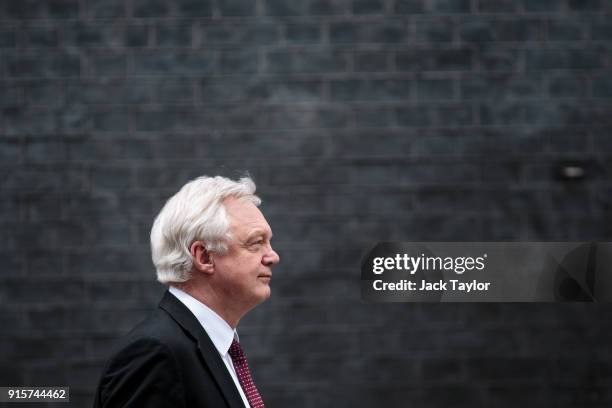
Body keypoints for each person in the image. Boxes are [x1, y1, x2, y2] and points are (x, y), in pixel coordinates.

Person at [94, 175, 280, 408]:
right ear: (204, 256)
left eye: (269, 242)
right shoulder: (155, 354)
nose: (273, 256)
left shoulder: (219, 349)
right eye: (256, 242)